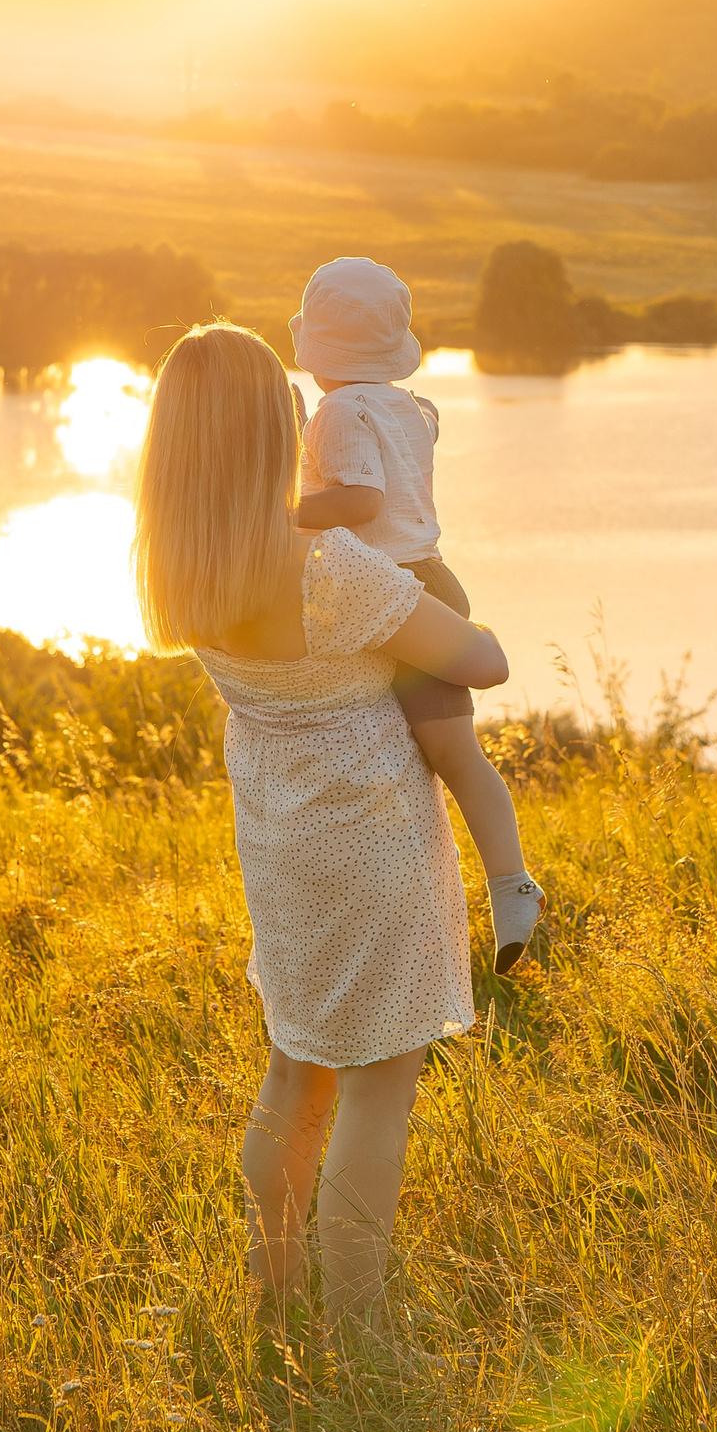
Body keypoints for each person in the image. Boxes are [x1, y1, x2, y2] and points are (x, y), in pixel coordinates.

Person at [133, 321, 511, 1337]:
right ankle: (360, 1335)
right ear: (276, 432)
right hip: (370, 834)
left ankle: (275, 1290)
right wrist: (463, 604)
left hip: (281, 834)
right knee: (380, 1083)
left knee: (295, 1063)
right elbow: (475, 662)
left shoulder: (181, 565)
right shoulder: (325, 565)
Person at [288, 257, 545, 972]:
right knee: (443, 755)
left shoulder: (340, 411)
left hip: (394, 593)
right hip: (432, 576)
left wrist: (281, 512)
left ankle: (508, 883)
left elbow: (362, 501)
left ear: (316, 349)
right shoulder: (407, 405)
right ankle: (503, 882)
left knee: (449, 753)